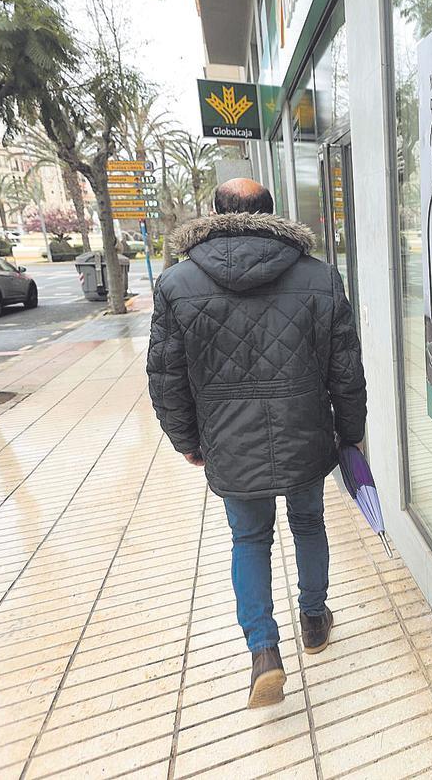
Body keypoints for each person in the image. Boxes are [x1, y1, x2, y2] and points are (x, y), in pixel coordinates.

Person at [147, 178, 367, 709]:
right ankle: (314, 620)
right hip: (305, 432)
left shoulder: (177, 283)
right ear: (271, 212)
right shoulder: (319, 277)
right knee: (309, 523)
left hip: (228, 439)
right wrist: (351, 432)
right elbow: (347, 369)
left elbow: (165, 376)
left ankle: (264, 652)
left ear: (216, 213)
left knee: (249, 540)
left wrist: (186, 440)